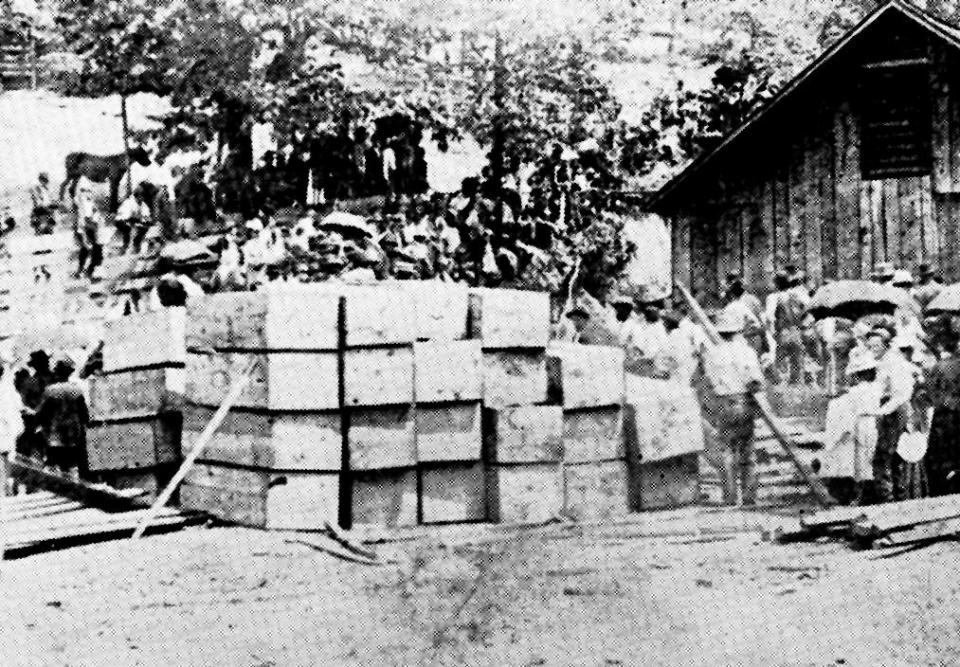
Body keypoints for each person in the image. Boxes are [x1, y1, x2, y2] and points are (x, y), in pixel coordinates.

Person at [701, 312, 764, 506]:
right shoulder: (747, 352)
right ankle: (748, 496)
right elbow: (755, 380)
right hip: (742, 400)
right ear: (737, 332)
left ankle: (729, 496)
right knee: (747, 450)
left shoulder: (713, 353)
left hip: (723, 403)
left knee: (727, 450)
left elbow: (710, 380)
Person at [866, 326, 917, 502]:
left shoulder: (893, 363)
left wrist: (882, 411)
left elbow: (900, 395)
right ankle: (897, 500)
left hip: (895, 411)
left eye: (876, 346)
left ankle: (888, 501)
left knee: (884, 458)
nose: (873, 350)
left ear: (886, 345)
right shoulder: (885, 362)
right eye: (870, 346)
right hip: (892, 410)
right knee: (894, 459)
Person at [35, 358, 89, 477]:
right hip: (74, 434)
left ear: (56, 372)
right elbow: (85, 415)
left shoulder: (50, 391)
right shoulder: (77, 390)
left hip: (56, 435)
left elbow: (41, 414)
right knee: (72, 466)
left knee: (54, 468)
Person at [924, 326, 960, 496]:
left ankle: (941, 487)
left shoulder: (940, 366)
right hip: (952, 412)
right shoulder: (944, 365)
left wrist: (942, 402)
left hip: (944, 414)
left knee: (940, 453)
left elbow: (930, 391)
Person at [114, 187, 151, 254]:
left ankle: (137, 244)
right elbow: (125, 217)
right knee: (127, 228)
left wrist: (145, 221)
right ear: (137, 196)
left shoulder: (143, 205)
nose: (142, 198)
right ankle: (125, 246)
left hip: (133, 220)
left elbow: (146, 216)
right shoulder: (129, 202)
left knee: (144, 228)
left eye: (143, 196)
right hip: (121, 220)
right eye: (141, 196)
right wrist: (134, 223)